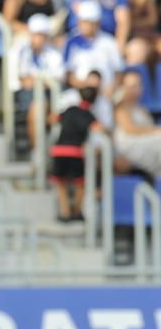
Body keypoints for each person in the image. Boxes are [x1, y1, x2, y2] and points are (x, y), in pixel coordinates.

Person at [50, 71, 102, 221]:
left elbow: (54, 118)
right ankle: (77, 211)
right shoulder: (89, 115)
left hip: (59, 150)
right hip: (75, 152)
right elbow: (98, 128)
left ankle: (65, 212)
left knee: (61, 183)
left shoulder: (70, 110)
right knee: (80, 183)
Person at [63, 0, 123, 128]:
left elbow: (119, 72)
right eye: (83, 22)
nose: (86, 26)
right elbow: (68, 74)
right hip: (79, 94)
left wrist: (110, 89)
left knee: (104, 117)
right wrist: (86, 86)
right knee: (65, 105)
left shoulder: (109, 42)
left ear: (98, 23)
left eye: (90, 22)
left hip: (105, 94)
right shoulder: (72, 41)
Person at [18, 14, 66, 148]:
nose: (38, 39)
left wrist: (38, 81)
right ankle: (38, 153)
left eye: (41, 35)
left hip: (53, 94)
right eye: (36, 35)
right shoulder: (24, 52)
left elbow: (59, 79)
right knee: (37, 108)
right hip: (33, 95)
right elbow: (25, 81)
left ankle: (45, 153)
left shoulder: (54, 53)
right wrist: (45, 82)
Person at [114, 69, 161, 178]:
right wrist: (156, 130)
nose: (134, 90)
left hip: (146, 143)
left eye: (137, 85)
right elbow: (130, 129)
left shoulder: (141, 108)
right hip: (129, 146)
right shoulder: (122, 106)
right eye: (131, 86)